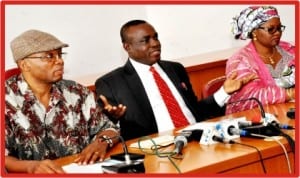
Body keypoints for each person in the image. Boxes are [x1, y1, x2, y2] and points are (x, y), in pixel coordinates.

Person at [95, 20, 255, 141]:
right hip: (159, 149)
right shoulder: (111, 83)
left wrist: (224, 92)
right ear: (127, 47)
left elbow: (196, 112)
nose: (155, 43)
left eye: (155, 37)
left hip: (199, 138)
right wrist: (114, 119)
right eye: (145, 40)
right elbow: (114, 131)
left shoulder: (175, 69)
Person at [5, 30, 120, 173]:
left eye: (60, 54)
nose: (60, 61)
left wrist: (102, 142)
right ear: (24, 65)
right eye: (49, 56)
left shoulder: (77, 92)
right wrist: (31, 166)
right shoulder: (7, 100)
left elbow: (110, 129)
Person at [225, 6, 295, 114]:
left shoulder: (289, 50)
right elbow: (252, 97)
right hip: (255, 120)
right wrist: (290, 94)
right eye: (271, 29)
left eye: (279, 28)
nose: (277, 33)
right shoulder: (240, 61)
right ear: (254, 32)